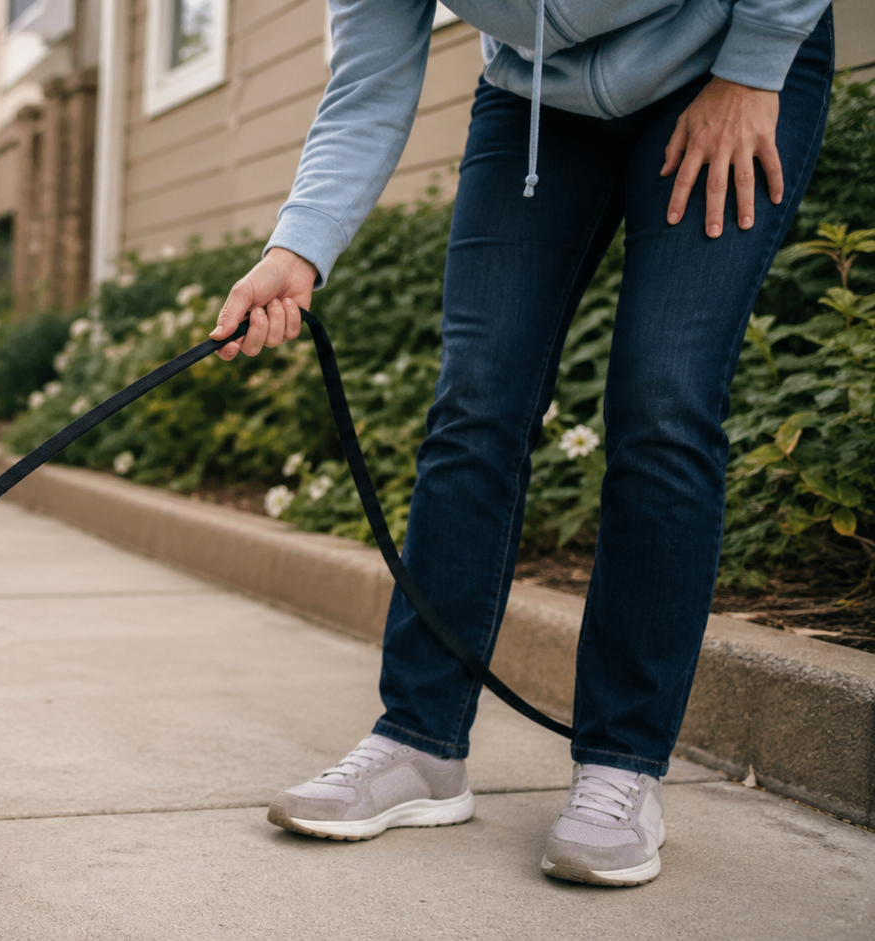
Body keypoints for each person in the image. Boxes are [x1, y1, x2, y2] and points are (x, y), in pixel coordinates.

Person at [209, 0, 835, 887]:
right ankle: (420, 739)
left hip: (723, 58)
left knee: (664, 397)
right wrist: (297, 250)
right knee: (475, 401)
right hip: (538, 98)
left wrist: (755, 65)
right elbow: (368, 86)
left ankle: (622, 765)